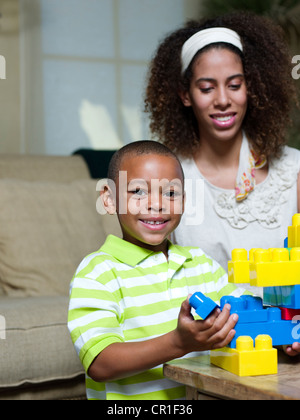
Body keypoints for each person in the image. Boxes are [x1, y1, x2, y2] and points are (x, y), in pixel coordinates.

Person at [68, 140, 248, 400]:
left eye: (171, 193)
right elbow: (100, 363)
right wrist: (178, 343)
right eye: (139, 191)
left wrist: (287, 334)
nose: (157, 204)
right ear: (109, 199)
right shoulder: (97, 272)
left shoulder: (200, 264)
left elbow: (242, 316)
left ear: (184, 201)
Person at [145, 11, 300, 275]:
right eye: (207, 88)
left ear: (250, 88)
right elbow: (150, 282)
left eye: (235, 85)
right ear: (186, 95)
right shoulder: (167, 181)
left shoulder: (294, 170)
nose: (222, 100)